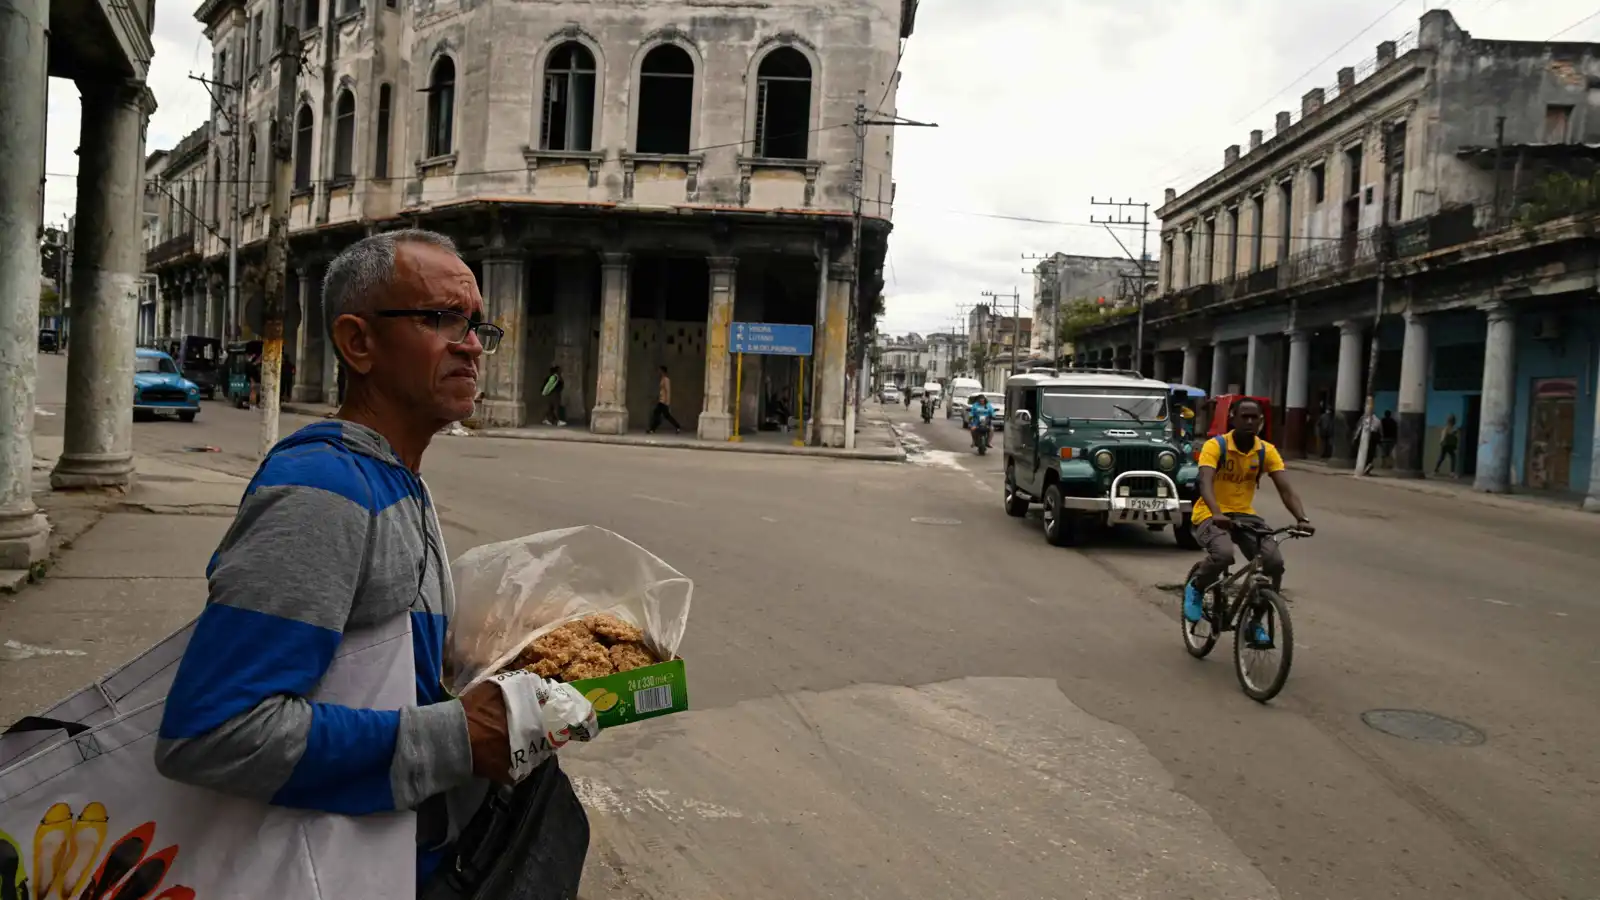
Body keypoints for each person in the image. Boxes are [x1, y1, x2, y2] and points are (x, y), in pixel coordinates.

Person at [153, 230, 588, 890]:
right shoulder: (323, 492)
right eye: (441, 319)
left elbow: (382, 672)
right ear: (358, 343)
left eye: (475, 325)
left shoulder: (397, 479)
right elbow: (213, 731)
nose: (470, 344)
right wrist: (459, 741)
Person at [1183, 398, 1313, 645]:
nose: (1250, 422)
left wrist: (1301, 518)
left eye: (1255, 418)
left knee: (1274, 562)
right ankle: (1197, 587)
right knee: (1223, 554)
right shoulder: (1215, 446)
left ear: (1261, 422)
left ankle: (1254, 623)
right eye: (1245, 417)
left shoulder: (1266, 451)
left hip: (1244, 515)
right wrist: (1216, 512)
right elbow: (1205, 481)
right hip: (1210, 513)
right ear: (1233, 418)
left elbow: (1285, 489)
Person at [648, 365, 682, 434]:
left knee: (659, 414)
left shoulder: (666, 380)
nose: (659, 372)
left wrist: (667, 402)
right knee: (665, 415)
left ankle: (653, 428)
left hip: (663, 401)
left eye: (660, 370)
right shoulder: (662, 379)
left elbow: (668, 391)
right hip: (661, 400)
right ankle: (677, 426)